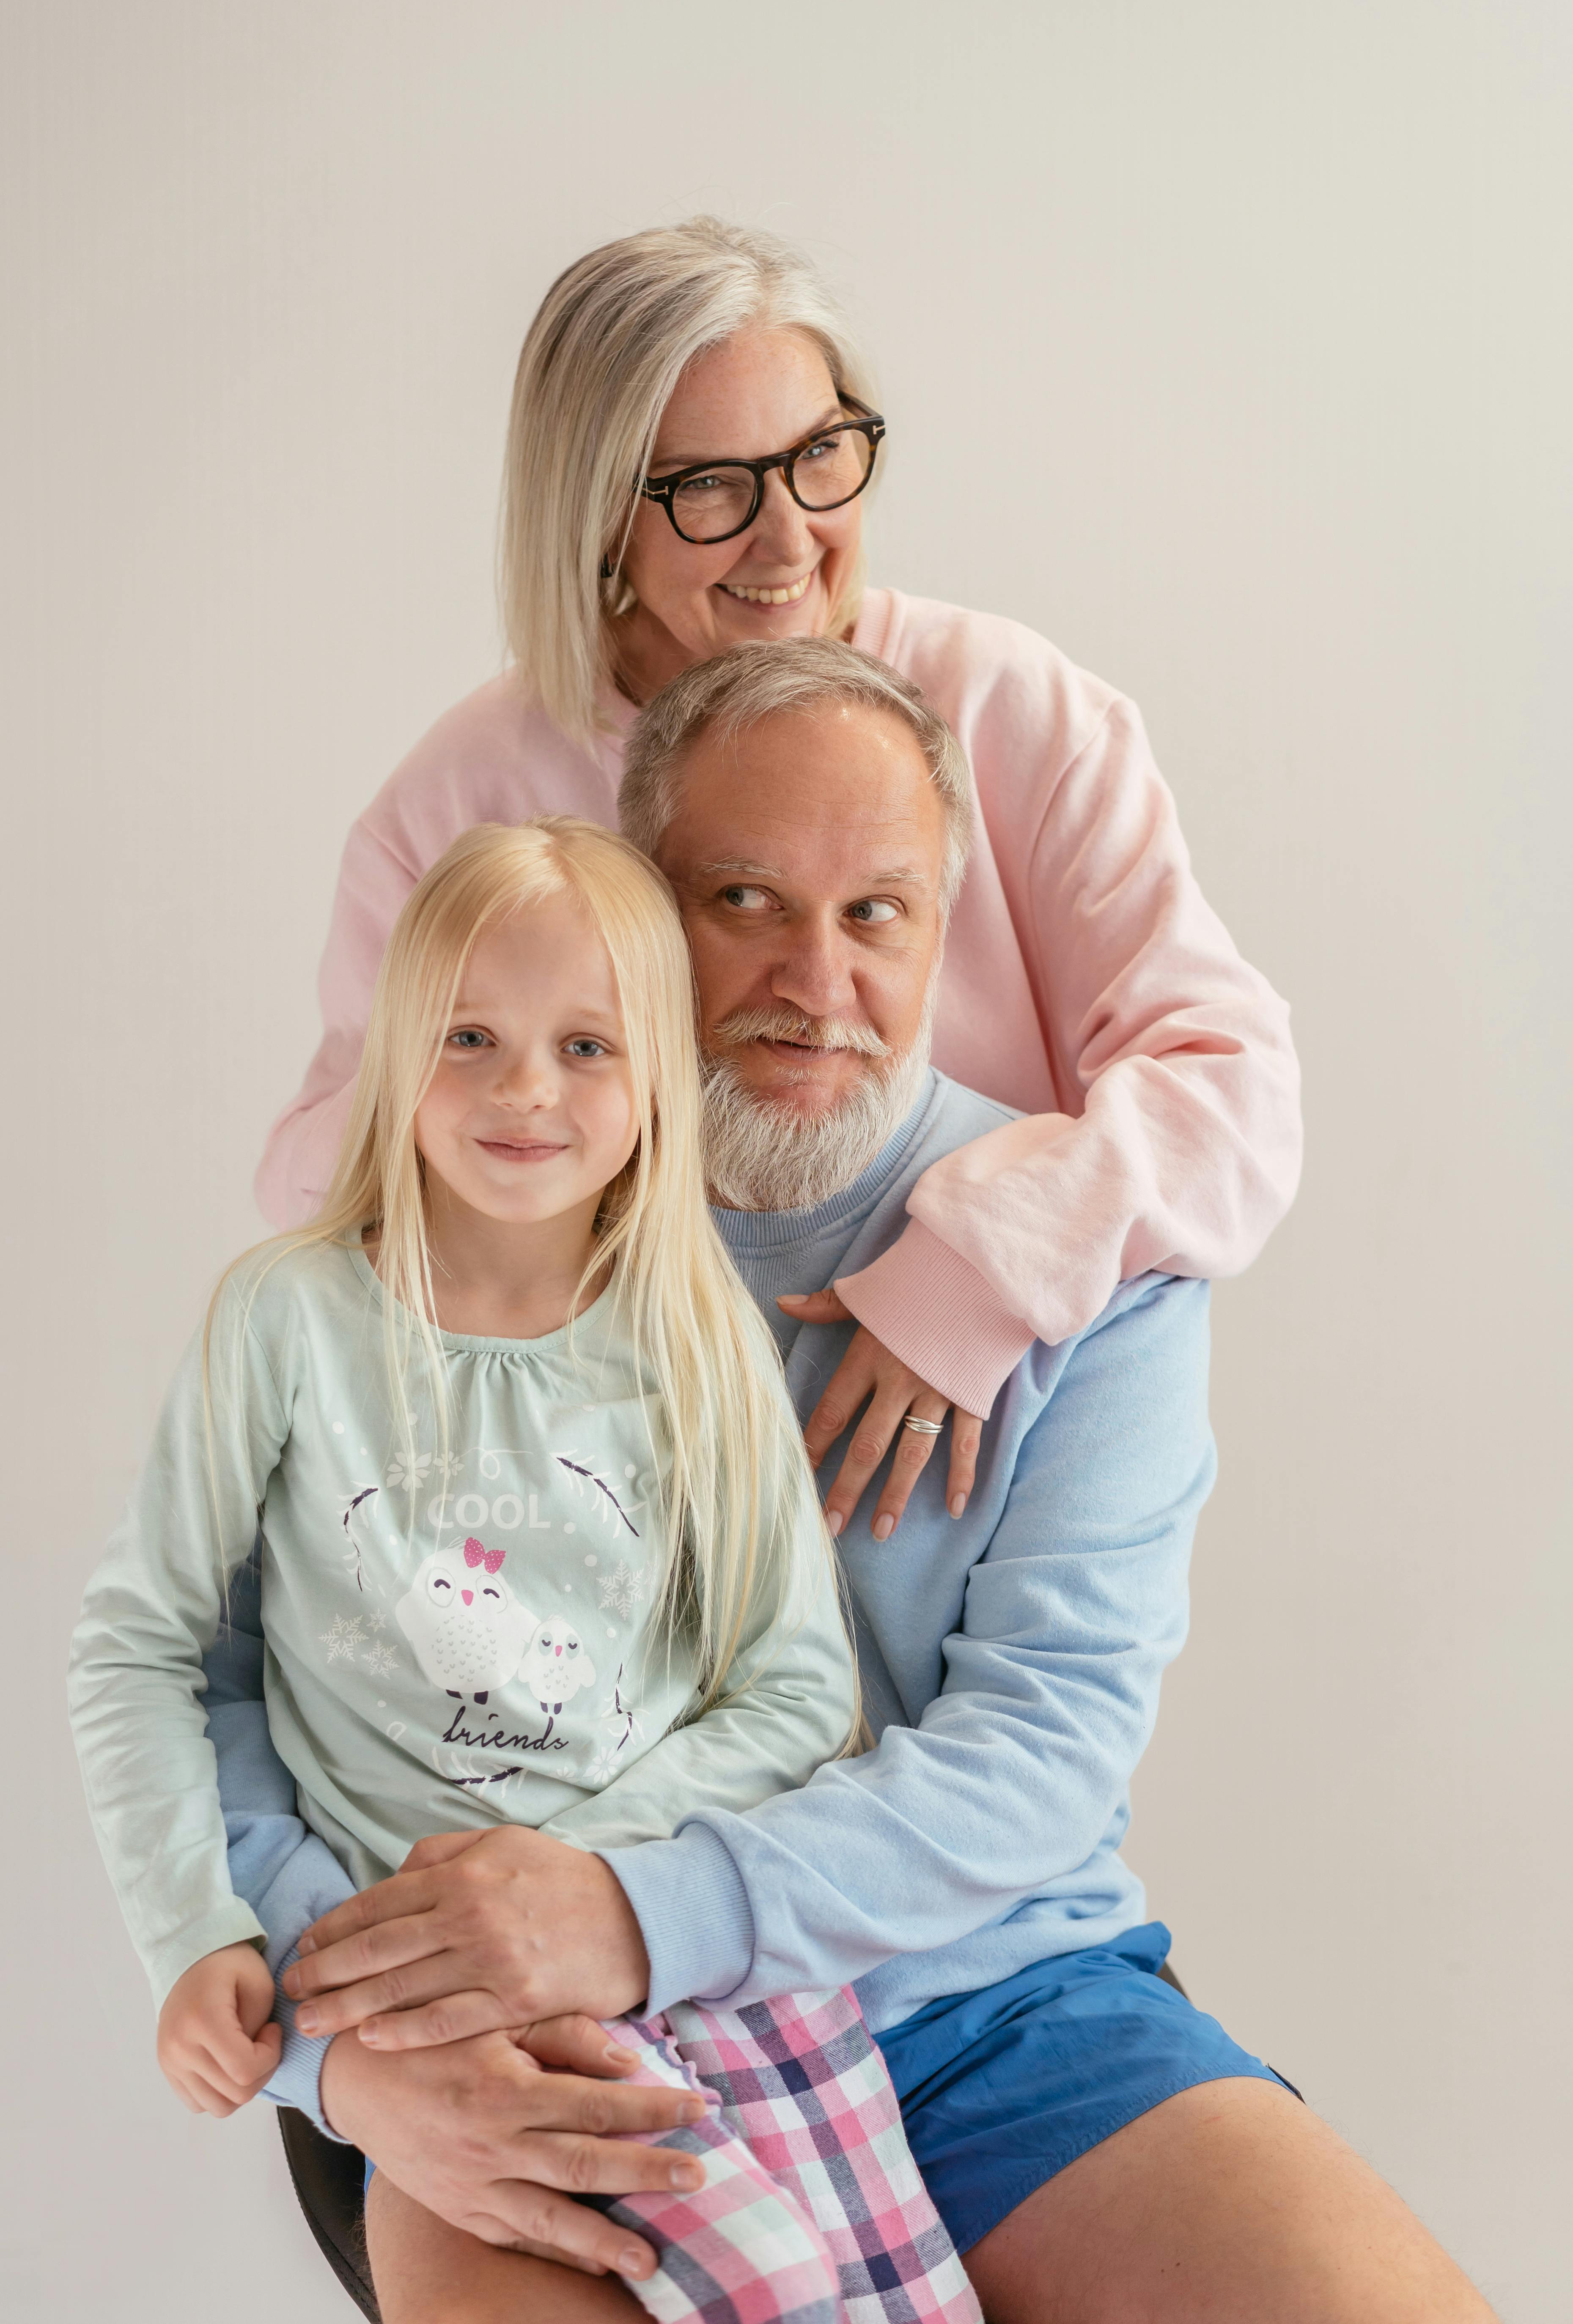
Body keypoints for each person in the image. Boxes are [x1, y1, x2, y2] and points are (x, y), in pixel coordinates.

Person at [229, 644, 1491, 2320]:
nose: (812, 980)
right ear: (641, 903)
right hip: (547, 2045)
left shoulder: (1093, 1265)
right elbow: (232, 1704)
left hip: (993, 2007)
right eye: (742, 898)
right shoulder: (459, 1226)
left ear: (947, 922)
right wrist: (335, 2064)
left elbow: (1041, 1752)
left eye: (877, 913)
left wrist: (641, 1908)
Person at [255, 214, 1302, 1543]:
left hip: (957, 1485)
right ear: (596, 520)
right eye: (707, 486)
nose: (790, 539)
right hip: (604, 1518)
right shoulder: (457, 807)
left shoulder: (1018, 714)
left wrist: (973, 1276)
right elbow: (325, 1188)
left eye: (819, 456)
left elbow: (1231, 1090)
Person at [69, 816, 983, 2324]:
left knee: (879, 2297)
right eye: (471, 1035)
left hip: (680, 1944)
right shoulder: (287, 1322)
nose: (523, 1090)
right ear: (399, 1043)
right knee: (757, 2286)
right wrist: (193, 1932)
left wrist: (580, 1869)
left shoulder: (696, 1335)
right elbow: (142, 1648)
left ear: (655, 1082)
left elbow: (798, 1688)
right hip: (434, 2001)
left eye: (585, 1047)